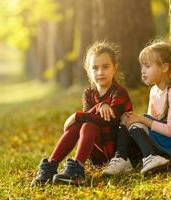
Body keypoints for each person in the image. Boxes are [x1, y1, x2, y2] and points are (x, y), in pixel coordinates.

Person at [31, 41, 132, 185]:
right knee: (84, 124)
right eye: (95, 68)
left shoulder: (119, 92)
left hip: (118, 155)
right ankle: (51, 166)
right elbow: (88, 117)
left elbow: (109, 120)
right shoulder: (89, 94)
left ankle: (76, 170)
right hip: (98, 154)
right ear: (89, 71)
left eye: (105, 67)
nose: (100, 72)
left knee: (87, 125)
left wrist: (76, 115)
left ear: (115, 69)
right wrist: (98, 107)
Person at [103, 41, 171, 176]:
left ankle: (150, 157)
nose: (143, 70)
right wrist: (136, 120)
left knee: (137, 121)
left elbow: (169, 131)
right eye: (142, 66)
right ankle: (122, 158)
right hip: (170, 138)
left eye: (147, 66)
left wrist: (140, 119)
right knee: (127, 117)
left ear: (164, 68)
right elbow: (150, 123)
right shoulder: (154, 91)